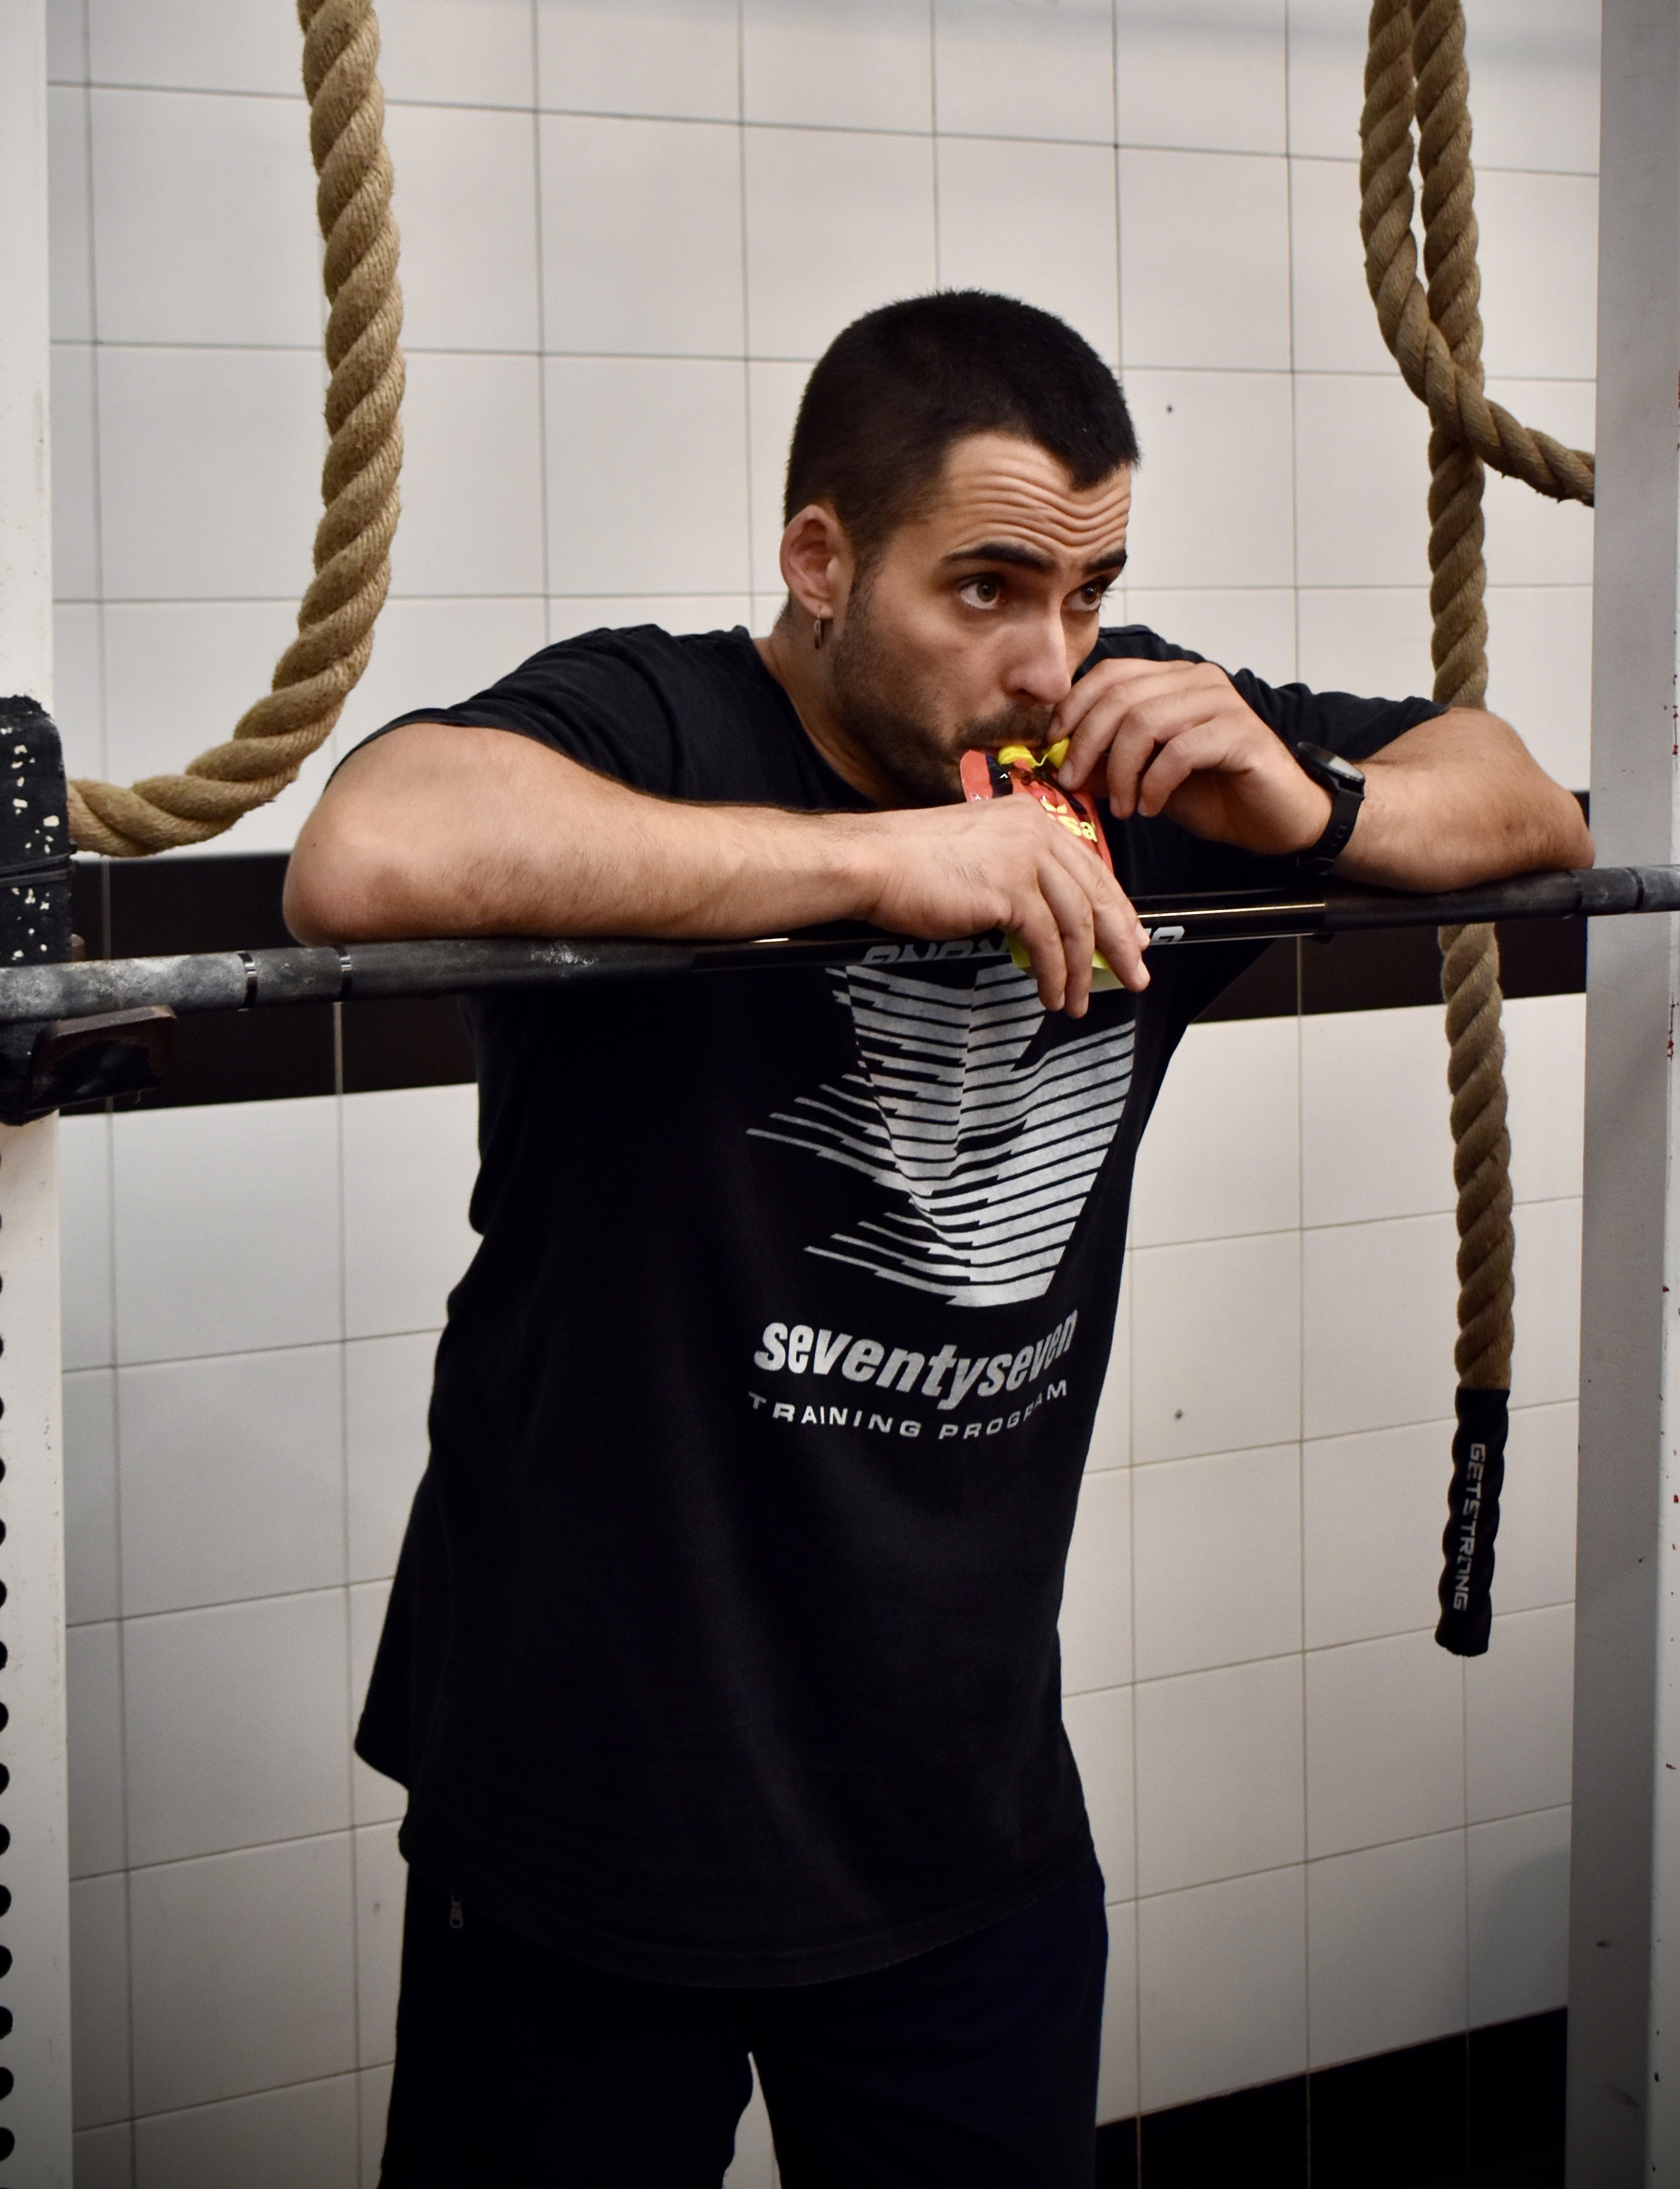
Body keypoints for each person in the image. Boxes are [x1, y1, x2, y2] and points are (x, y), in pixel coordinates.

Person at [286, 291, 1590, 2187]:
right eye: (984, 591)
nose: (1048, 659)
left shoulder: (1125, 748)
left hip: (955, 1825)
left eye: (1087, 592)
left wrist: (1308, 807)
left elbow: (1523, 796)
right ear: (819, 559)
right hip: (584, 1811)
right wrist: (872, 865)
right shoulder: (666, 716)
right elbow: (368, 854)